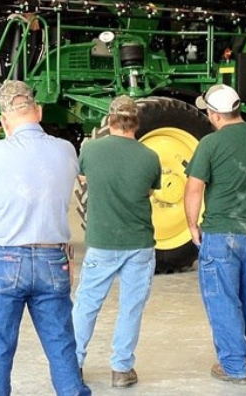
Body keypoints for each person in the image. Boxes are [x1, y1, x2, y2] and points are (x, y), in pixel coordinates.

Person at [0, 80, 90, 396]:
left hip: (6, 258)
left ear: (3, 120)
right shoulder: (67, 150)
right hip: (53, 260)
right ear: (38, 112)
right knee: (62, 346)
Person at [183, 84, 246, 385]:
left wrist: (191, 225)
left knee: (223, 300)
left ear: (214, 115)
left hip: (220, 233)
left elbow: (194, 188)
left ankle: (235, 366)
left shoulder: (211, 144)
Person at [70, 96, 160, 388]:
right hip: (139, 243)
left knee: (86, 304)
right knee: (131, 306)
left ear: (110, 121)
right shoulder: (150, 156)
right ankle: (121, 369)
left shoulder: (90, 150)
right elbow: (149, 191)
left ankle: (74, 364)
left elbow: (83, 180)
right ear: (136, 122)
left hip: (102, 240)